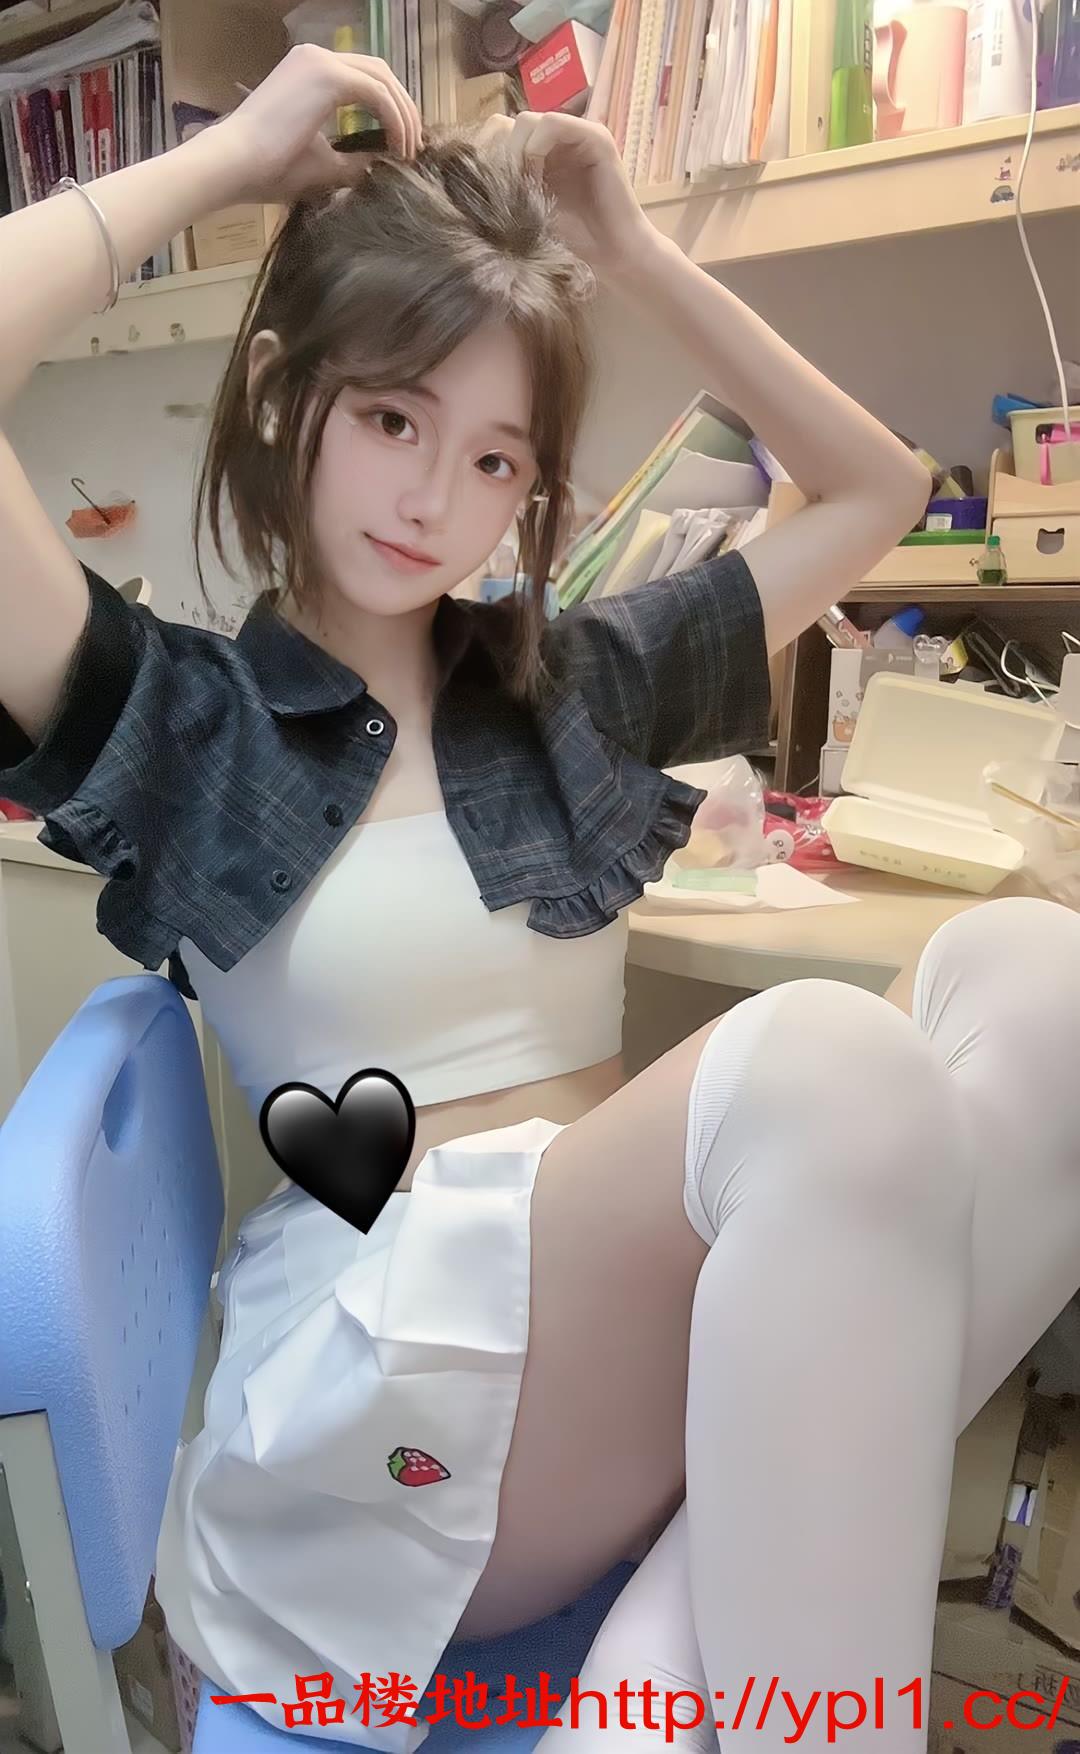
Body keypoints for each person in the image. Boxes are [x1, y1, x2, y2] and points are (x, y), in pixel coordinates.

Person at [1, 45, 1078, 1754]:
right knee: (827, 1071)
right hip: (389, 1407)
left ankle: (644, 1679)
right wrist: (227, 164)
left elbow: (876, 489)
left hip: (589, 1364)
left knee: (1040, 981)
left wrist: (630, 247)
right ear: (281, 395)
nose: (438, 498)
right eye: (393, 420)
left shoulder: (570, 682)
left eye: (499, 459)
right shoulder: (188, 722)